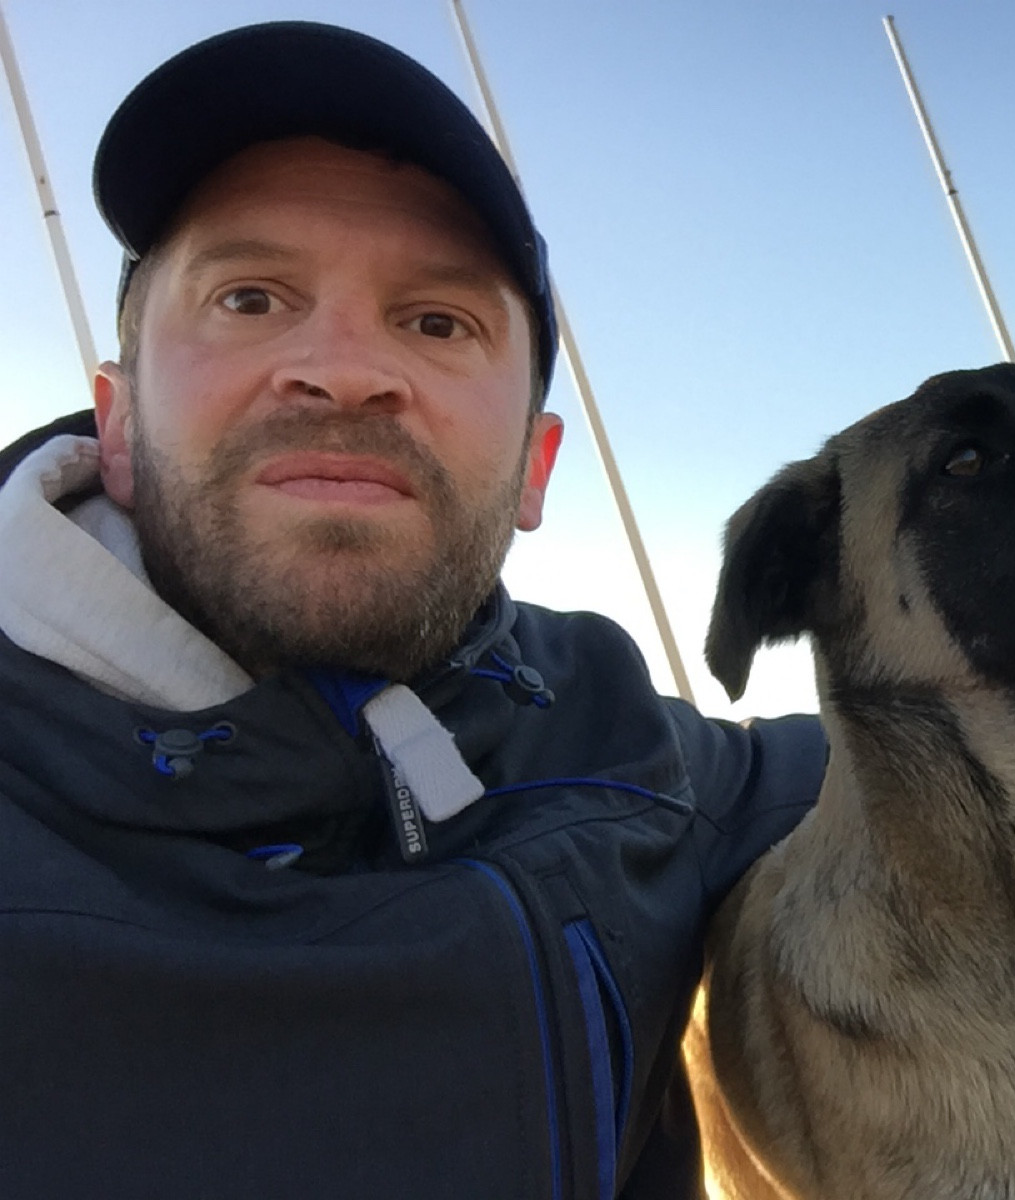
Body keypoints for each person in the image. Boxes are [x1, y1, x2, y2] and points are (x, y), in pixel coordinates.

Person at [0, 22, 826, 1199]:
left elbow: (918, 761)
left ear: (535, 467)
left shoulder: (604, 724)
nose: (342, 369)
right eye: (250, 297)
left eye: (437, 323)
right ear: (118, 423)